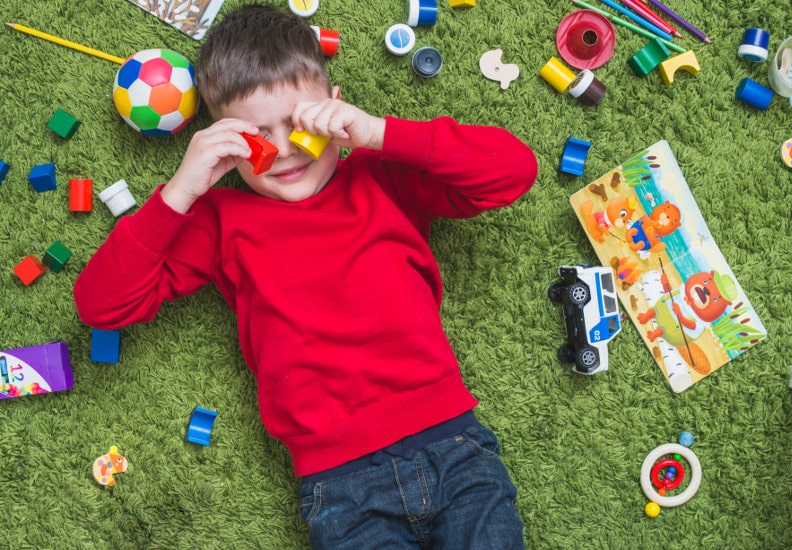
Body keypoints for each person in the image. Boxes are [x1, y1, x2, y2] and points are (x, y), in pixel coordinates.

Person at [74, 4, 538, 548]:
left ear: (335, 108)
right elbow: (101, 306)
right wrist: (181, 189)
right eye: (258, 138)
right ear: (223, 141)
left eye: (300, 124)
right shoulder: (219, 221)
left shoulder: (384, 176)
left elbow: (513, 173)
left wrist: (379, 133)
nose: (288, 149)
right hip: (341, 484)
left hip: (456, 447)